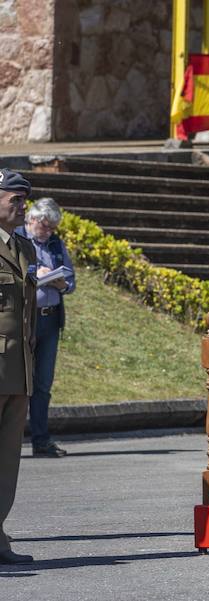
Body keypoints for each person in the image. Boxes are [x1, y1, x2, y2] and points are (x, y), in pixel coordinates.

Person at [14, 198, 75, 459]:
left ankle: (41, 439)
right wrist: (33, 275)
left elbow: (70, 280)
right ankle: (10, 441)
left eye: (52, 227)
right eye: (45, 226)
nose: (49, 231)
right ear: (33, 219)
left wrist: (61, 283)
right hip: (23, 320)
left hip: (49, 320)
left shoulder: (55, 244)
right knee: (16, 382)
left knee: (43, 383)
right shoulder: (15, 238)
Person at [0, 169, 37, 564]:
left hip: (18, 368)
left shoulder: (25, 248)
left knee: (7, 460)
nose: (23, 206)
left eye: (24, 200)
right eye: (15, 200)